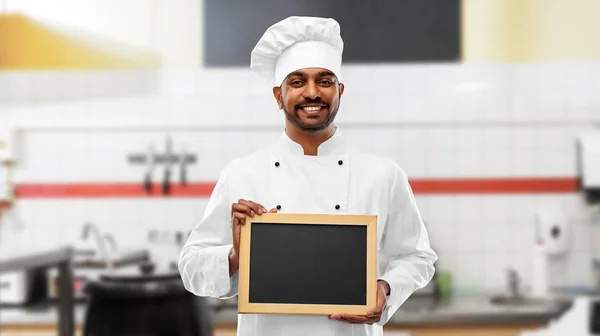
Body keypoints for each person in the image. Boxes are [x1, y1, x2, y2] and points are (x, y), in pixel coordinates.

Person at [179, 16, 438, 336]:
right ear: (278, 95)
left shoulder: (383, 175)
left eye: (325, 81)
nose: (312, 93)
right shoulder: (242, 174)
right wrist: (235, 255)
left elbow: (418, 257)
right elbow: (190, 268)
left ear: (340, 91)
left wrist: (385, 288)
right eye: (298, 81)